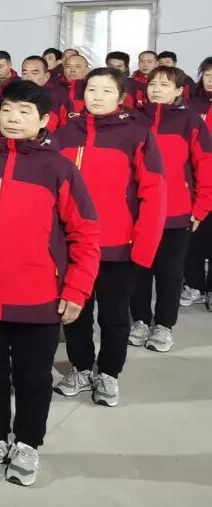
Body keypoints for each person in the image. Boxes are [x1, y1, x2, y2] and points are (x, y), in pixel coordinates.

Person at [0, 80, 101, 487]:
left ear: (45, 119)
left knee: (33, 378)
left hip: (38, 297)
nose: (13, 118)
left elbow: (85, 234)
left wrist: (77, 289)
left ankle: (28, 443)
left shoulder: (59, 169)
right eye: (7, 110)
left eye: (24, 111)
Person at [53, 68, 166, 407]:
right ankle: (81, 367)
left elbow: (154, 193)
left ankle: (109, 373)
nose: (97, 96)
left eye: (106, 90)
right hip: (73, 246)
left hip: (118, 247)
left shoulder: (137, 135)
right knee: (74, 312)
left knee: (114, 316)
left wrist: (143, 248)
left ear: (121, 97)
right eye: (92, 89)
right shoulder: (64, 134)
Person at [130, 66, 212, 351]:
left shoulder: (190, 122)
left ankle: (164, 325)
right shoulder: (134, 118)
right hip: (138, 212)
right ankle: (140, 320)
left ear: (179, 90)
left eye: (165, 85)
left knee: (170, 272)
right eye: (153, 83)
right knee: (138, 271)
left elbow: (206, 165)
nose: (156, 89)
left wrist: (201, 207)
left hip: (176, 212)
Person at [182, 56, 212, 307]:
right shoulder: (192, 105)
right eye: (208, 75)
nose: (211, 80)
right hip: (195, 177)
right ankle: (194, 286)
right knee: (194, 235)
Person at [59, 52, 90, 118]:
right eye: (68, 66)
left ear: (87, 71)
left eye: (77, 67)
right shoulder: (56, 90)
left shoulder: (91, 90)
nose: (72, 70)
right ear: (64, 70)